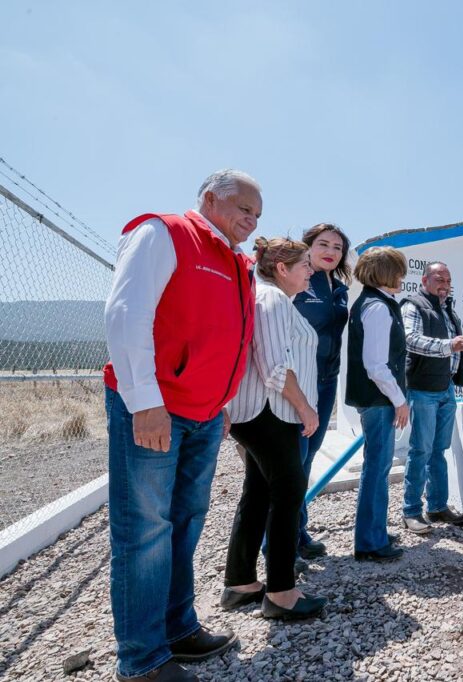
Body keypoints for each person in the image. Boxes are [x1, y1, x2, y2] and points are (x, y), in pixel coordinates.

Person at [103, 169, 260, 682]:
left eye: (257, 216)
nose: (252, 223)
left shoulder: (237, 261)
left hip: (205, 414)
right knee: (146, 530)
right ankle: (143, 660)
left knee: (186, 521)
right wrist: (145, 402)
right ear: (212, 200)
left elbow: (230, 339)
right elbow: (127, 314)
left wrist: (224, 403)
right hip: (157, 409)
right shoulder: (164, 233)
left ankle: (177, 629)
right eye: (245, 210)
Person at [222, 237, 328, 620]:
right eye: (305, 266)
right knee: (289, 490)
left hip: (260, 411)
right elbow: (274, 367)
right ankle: (282, 593)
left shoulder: (269, 297)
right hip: (270, 411)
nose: (311, 271)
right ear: (282, 268)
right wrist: (306, 408)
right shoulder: (273, 299)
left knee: (260, 491)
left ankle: (240, 582)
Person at [290, 223, 353, 561]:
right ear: (308, 247)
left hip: (327, 380)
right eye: (323, 244)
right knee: (292, 459)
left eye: (338, 247)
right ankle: (279, 546)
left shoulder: (340, 288)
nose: (330, 251)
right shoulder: (298, 279)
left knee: (308, 456)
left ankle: (298, 532)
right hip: (299, 381)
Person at [399, 262, 463, 533]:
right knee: (420, 450)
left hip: (446, 389)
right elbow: (409, 339)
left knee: (439, 451)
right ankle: (410, 511)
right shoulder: (413, 305)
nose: (444, 283)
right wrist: (449, 345)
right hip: (422, 390)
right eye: (439, 278)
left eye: (448, 279)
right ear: (424, 279)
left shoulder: (447, 309)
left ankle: (437, 506)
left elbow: (455, 347)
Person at [345, 246, 410, 561]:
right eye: (398, 271)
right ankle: (370, 542)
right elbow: (376, 366)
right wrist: (400, 400)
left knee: (378, 465)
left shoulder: (374, 303)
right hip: (379, 400)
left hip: (376, 400)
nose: (402, 278)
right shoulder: (378, 308)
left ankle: (374, 531)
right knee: (377, 467)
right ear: (386, 273)